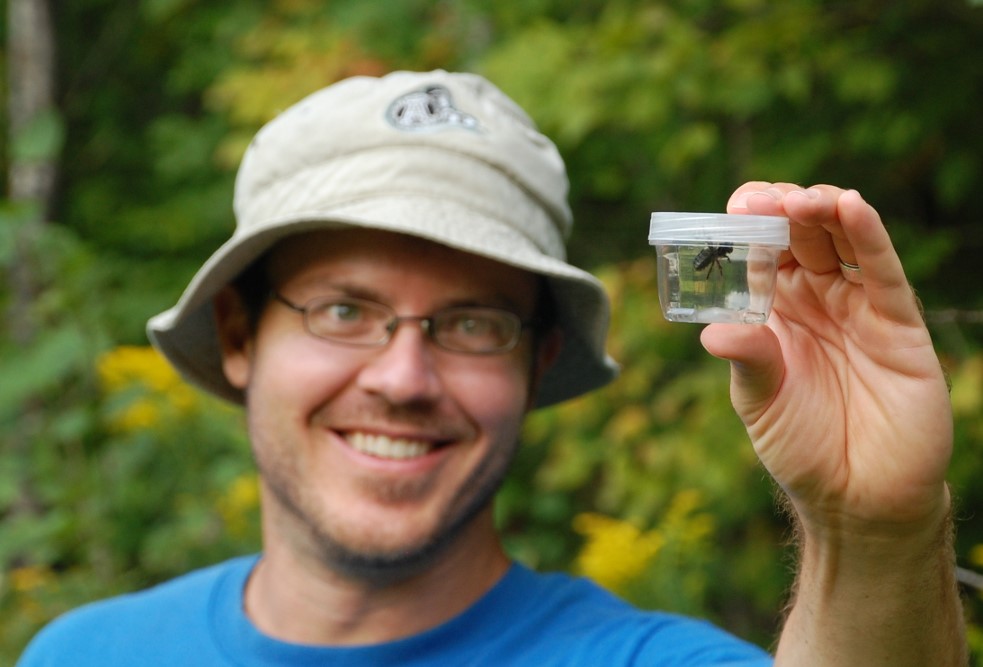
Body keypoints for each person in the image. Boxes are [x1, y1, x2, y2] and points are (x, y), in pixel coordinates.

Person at [17, 70, 965, 666]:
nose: (401, 376)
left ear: (538, 356)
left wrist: (869, 529)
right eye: (343, 309)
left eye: (470, 323)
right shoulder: (82, 651)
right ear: (237, 333)